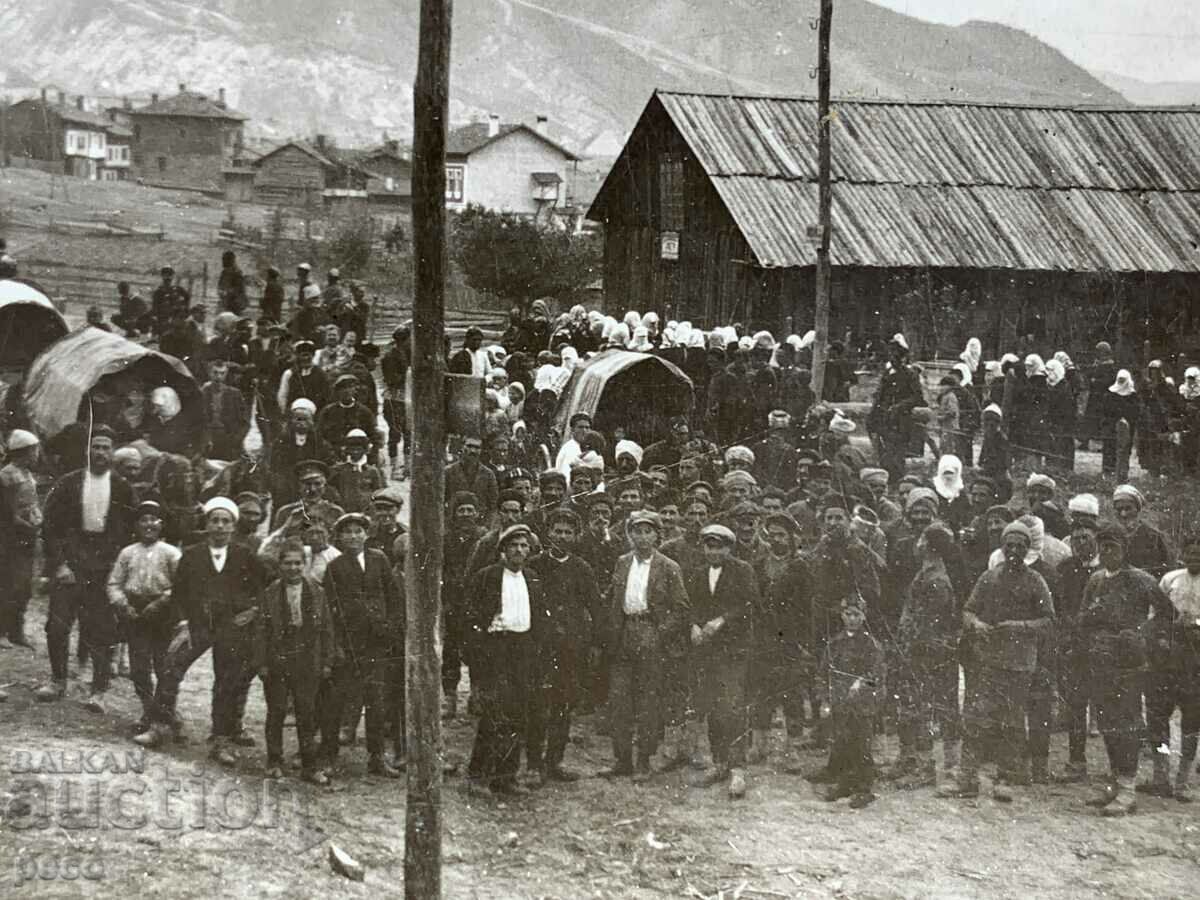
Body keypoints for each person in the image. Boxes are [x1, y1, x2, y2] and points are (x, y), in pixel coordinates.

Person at [135, 497, 268, 759]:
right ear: (206, 524)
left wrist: (251, 612)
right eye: (214, 521)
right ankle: (160, 725)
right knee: (171, 668)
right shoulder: (192, 555)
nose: (219, 526)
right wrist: (184, 622)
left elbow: (262, 590)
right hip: (197, 625)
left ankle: (221, 739)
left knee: (227, 681)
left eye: (225, 521)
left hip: (231, 627)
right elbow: (180, 594)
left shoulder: (245, 555)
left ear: (233, 526)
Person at [941, 521, 1053, 802]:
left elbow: (1049, 621)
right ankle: (967, 778)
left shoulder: (1035, 581)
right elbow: (968, 610)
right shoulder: (989, 577)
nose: (1014, 551)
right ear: (1002, 548)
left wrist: (1019, 626)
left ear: (1027, 549)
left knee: (1012, 721)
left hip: (1019, 663)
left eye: (1020, 546)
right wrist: (977, 624)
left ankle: (1007, 777)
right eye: (1009, 545)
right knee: (976, 719)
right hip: (987, 660)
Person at [36, 426, 135, 708]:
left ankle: (99, 690)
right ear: (87, 450)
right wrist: (59, 564)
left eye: (106, 447)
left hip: (104, 568)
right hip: (70, 565)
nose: (101, 453)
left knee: (100, 629)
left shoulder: (122, 488)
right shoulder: (68, 483)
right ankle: (57, 681)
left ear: (113, 452)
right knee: (57, 626)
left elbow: (130, 532)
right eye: (96, 447)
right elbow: (50, 528)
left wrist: (118, 570)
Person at [1077, 523, 1172, 815]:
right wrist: (1091, 620)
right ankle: (1115, 783)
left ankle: (1128, 790)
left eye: (1112, 547)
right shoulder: (1095, 580)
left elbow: (1167, 614)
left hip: (1129, 661)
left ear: (1124, 549)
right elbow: (1082, 616)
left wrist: (1141, 632)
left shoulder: (1141, 580)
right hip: (1102, 659)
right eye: (1102, 547)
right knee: (1106, 721)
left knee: (1127, 722)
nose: (1106, 553)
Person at [598, 510, 690, 782]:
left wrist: (660, 633)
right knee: (619, 699)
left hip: (652, 633)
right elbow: (613, 599)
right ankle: (622, 759)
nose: (642, 537)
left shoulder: (669, 567)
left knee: (649, 699)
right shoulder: (622, 562)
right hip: (624, 632)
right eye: (636, 531)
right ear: (629, 535)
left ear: (657, 535)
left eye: (648, 531)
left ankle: (643, 760)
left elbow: (682, 609)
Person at [321, 512, 405, 777]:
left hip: (377, 643)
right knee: (338, 700)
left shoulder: (378, 560)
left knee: (377, 701)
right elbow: (330, 609)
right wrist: (337, 646)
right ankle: (329, 755)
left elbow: (394, 599)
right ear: (340, 538)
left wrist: (390, 629)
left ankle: (377, 757)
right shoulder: (335, 567)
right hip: (349, 644)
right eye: (348, 532)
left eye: (358, 531)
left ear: (366, 535)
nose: (354, 536)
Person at [465, 524, 543, 796]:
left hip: (522, 650)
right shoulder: (487, 577)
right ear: (502, 550)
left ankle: (506, 776)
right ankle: (477, 776)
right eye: (514, 545)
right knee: (493, 714)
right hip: (496, 649)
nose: (519, 551)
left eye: (524, 546)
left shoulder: (532, 578)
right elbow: (471, 617)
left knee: (517, 714)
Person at [685, 523, 759, 800]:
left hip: (734, 650)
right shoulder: (697, 573)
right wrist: (693, 624)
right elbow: (690, 604)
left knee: (732, 705)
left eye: (720, 546)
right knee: (713, 706)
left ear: (729, 548)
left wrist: (723, 620)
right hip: (707, 650)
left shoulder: (743, 571)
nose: (714, 551)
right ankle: (719, 762)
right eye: (709, 546)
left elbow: (751, 604)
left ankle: (738, 769)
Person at [526, 508, 599, 785]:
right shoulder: (534, 565)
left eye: (568, 532)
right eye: (558, 531)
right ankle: (534, 764)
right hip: (539, 647)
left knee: (563, 704)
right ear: (548, 533)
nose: (562, 536)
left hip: (571, 648)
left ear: (576, 536)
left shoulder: (582, 568)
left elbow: (595, 607)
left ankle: (554, 761)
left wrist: (594, 644)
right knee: (537, 705)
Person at [255, 539, 333, 785]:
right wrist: (262, 663)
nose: (293, 568)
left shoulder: (317, 592)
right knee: (276, 710)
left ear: (305, 564)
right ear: (280, 565)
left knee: (306, 712)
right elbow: (261, 631)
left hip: (307, 658)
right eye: (287, 563)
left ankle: (309, 766)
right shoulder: (270, 593)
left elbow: (327, 630)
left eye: (298, 563)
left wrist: (326, 661)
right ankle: (275, 760)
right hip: (279, 656)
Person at [894, 523, 961, 790]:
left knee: (925, 709)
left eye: (922, 539)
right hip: (919, 650)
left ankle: (926, 767)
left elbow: (929, 623)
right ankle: (914, 760)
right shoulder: (928, 574)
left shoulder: (936, 580)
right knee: (916, 707)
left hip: (928, 654)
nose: (917, 543)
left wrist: (912, 647)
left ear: (928, 545)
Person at [106, 501, 181, 733]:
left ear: (161, 524)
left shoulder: (171, 553)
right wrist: (122, 604)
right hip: (135, 612)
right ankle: (149, 709)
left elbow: (182, 586)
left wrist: (162, 601)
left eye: (154, 520)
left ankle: (166, 710)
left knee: (164, 665)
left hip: (162, 613)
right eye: (143, 520)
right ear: (137, 525)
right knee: (139, 666)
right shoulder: (128, 553)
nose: (149, 524)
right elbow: (114, 583)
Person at [750, 511, 811, 771]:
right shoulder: (758, 566)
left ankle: (792, 749)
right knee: (761, 690)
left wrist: (803, 640)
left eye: (782, 535)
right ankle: (759, 744)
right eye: (772, 535)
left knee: (792, 694)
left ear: (792, 538)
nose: (777, 540)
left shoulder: (801, 567)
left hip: (791, 639)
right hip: (764, 639)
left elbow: (808, 607)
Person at [1145, 537, 1200, 801]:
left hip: (1196, 661)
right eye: (1190, 554)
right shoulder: (1170, 579)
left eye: (1199, 555)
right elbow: (1154, 616)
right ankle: (1160, 776)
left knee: (1191, 720)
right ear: (1183, 555)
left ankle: (1182, 780)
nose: (1194, 559)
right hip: (1167, 657)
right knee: (1158, 716)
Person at [819, 595, 885, 808]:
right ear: (842, 615)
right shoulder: (835, 643)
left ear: (864, 617)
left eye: (857, 614)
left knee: (862, 747)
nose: (852, 619)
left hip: (862, 707)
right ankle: (845, 784)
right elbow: (823, 674)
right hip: (840, 704)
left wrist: (861, 684)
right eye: (848, 614)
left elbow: (876, 676)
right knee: (842, 743)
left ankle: (864, 789)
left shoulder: (871, 645)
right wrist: (825, 701)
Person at [1053, 516, 1102, 783]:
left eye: (1086, 537)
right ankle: (1076, 761)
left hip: (1100, 644)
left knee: (1108, 704)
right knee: (1075, 704)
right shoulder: (1065, 567)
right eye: (1076, 539)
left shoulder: (1106, 568)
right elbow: (1059, 604)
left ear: (1096, 539)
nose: (1080, 543)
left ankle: (1119, 768)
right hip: (1073, 643)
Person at [442, 492, 487, 718]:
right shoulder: (445, 538)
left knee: (477, 649)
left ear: (477, 513)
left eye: (470, 510)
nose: (466, 515)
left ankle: (476, 693)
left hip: (476, 603)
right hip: (452, 602)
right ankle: (449, 696)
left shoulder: (483, 538)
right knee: (450, 650)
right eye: (462, 510)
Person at [0, 430, 42, 649]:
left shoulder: (26, 473)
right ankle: (2, 632)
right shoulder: (8, 475)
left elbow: (30, 505)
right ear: (24, 452)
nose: (37, 454)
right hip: (11, 536)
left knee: (24, 585)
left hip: (27, 534)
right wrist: (29, 527)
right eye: (34, 450)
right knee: (8, 583)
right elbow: (9, 513)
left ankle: (17, 630)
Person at [1112, 484, 1175, 577]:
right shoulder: (1110, 535)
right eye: (1119, 509)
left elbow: (1167, 570)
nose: (1123, 514)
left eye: (1128, 508)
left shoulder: (1154, 537)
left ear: (1137, 509)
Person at [271, 460, 346, 533]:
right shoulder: (286, 512)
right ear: (299, 486)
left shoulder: (335, 512)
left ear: (325, 487)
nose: (312, 489)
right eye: (307, 484)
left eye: (317, 484)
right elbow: (274, 542)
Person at [317, 374, 377, 461]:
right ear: (337, 392)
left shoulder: (364, 412)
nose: (347, 391)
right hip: (333, 456)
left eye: (350, 387)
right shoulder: (328, 411)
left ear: (355, 390)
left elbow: (373, 436)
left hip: (358, 455)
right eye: (343, 388)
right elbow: (320, 435)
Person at [201, 358, 249, 461]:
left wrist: (235, 440)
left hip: (228, 440)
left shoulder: (235, 394)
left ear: (226, 374)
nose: (218, 377)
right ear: (209, 373)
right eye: (215, 373)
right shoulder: (202, 393)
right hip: (208, 440)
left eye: (222, 373)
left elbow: (245, 422)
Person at [329, 429, 386, 513]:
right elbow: (330, 487)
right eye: (352, 449)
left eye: (358, 449)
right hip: (344, 511)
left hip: (366, 511)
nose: (355, 452)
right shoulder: (339, 470)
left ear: (365, 450)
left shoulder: (372, 471)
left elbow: (378, 491)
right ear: (347, 450)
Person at [381, 323, 411, 479]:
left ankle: (407, 466)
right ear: (403, 340)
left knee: (408, 432)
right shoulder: (391, 356)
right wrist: (409, 376)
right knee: (395, 432)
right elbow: (392, 379)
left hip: (404, 398)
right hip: (393, 398)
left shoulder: (406, 353)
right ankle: (394, 468)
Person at [445, 436, 499, 519]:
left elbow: (493, 504)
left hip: (479, 522)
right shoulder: (448, 472)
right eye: (469, 446)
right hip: (454, 521)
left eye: (477, 447)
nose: (473, 451)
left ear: (481, 450)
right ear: (462, 447)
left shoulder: (488, 474)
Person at [277, 340, 332, 414]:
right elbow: (283, 395)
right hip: (293, 413)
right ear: (298, 356)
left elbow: (326, 396)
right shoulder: (289, 373)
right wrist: (284, 412)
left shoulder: (321, 374)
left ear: (313, 356)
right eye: (303, 355)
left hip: (315, 413)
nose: (306, 358)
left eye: (308, 355)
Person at [150, 265, 190, 339]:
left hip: (176, 317)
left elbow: (187, 297)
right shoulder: (159, 291)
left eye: (169, 275)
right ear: (162, 276)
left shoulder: (177, 289)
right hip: (163, 318)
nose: (167, 277)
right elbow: (155, 307)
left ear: (172, 276)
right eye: (165, 275)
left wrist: (185, 308)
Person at [218, 250, 247, 316]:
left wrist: (228, 292)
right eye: (223, 259)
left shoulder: (237, 272)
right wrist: (221, 291)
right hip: (226, 302)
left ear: (230, 260)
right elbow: (220, 284)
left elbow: (239, 288)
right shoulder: (224, 272)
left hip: (234, 303)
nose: (223, 261)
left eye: (224, 259)